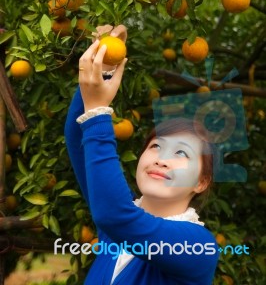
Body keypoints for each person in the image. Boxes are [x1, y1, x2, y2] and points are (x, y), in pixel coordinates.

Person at [64, 25, 219, 285]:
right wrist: (103, 67)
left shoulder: (199, 246)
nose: (161, 158)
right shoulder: (114, 231)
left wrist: (99, 110)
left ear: (201, 182)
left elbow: (116, 215)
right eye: (156, 146)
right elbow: (78, 136)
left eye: (181, 152)